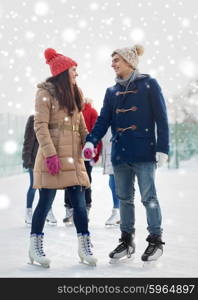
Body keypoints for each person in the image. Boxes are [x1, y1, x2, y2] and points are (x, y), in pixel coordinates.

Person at [82, 44, 169, 263]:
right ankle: (127, 240)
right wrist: (91, 140)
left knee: (148, 197)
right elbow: (103, 120)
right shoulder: (111, 92)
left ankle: (155, 240)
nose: (112, 64)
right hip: (120, 153)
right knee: (124, 198)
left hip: (144, 151)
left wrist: (162, 148)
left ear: (129, 62)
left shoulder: (149, 84)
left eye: (116, 60)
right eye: (112, 60)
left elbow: (162, 119)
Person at [29, 48, 97, 268]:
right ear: (63, 71)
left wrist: (88, 143)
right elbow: (40, 126)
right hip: (54, 158)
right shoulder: (45, 93)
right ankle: (35, 247)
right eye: (74, 69)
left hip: (73, 159)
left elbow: (82, 126)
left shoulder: (76, 93)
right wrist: (50, 154)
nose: (77, 73)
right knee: (45, 202)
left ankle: (84, 246)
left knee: (79, 204)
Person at [63, 97, 102, 223]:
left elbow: (95, 133)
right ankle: (76, 209)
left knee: (79, 180)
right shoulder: (70, 111)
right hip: (76, 153)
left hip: (82, 153)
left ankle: (79, 209)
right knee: (82, 180)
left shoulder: (91, 112)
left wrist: (95, 151)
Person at [22, 114, 57, 225]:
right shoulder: (33, 119)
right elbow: (28, 140)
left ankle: (48, 210)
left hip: (47, 159)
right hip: (34, 159)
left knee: (47, 186)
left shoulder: (52, 118)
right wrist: (27, 158)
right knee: (34, 185)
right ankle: (29, 212)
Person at [102, 127, 120, 226]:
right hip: (109, 148)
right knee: (112, 182)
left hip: (118, 148)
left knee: (115, 182)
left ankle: (118, 210)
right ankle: (119, 210)